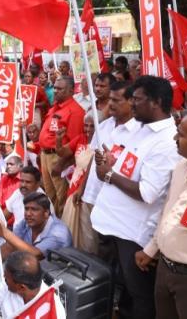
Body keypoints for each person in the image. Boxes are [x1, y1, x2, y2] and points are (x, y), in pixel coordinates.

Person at [91, 76, 181, 319]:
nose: (132, 104)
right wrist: (112, 163)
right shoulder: (140, 129)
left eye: (137, 100)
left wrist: (109, 174)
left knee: (139, 296)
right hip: (112, 224)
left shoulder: (166, 141)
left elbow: (147, 192)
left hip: (133, 234)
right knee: (116, 288)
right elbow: (128, 167)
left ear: (156, 102)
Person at [135, 108, 187, 319]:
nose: (175, 138)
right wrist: (152, 248)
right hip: (165, 269)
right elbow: (168, 212)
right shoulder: (180, 167)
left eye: (181, 135)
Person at [79, 81, 141, 253]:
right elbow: (94, 157)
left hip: (114, 202)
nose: (110, 104)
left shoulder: (139, 131)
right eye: (110, 100)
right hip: (92, 195)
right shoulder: (104, 125)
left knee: (110, 251)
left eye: (116, 100)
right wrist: (82, 188)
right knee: (90, 247)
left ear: (131, 102)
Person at [0, 192, 72, 294]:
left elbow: (36, 254)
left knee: (7, 285)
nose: (28, 213)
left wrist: (5, 233)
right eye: (26, 209)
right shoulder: (27, 222)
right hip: (27, 269)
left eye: (34, 209)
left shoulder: (58, 232)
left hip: (51, 278)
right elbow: (9, 246)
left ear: (46, 213)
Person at [39, 76, 86, 216]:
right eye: (55, 88)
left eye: (60, 89)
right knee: (50, 196)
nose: (55, 91)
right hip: (45, 156)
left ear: (71, 90)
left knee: (61, 198)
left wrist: (61, 164)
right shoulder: (55, 107)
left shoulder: (76, 111)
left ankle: (61, 229)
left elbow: (74, 143)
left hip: (58, 158)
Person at [0, 251, 66, 319]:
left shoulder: (55, 310)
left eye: (6, 277)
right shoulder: (6, 285)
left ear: (21, 287)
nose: (3, 278)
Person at [57, 114, 96, 253]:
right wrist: (59, 140)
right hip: (74, 185)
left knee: (87, 230)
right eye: (86, 125)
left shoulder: (103, 141)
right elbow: (62, 152)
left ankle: (88, 259)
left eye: (92, 125)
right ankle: (69, 254)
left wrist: (82, 187)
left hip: (90, 187)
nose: (88, 129)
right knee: (69, 221)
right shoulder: (80, 138)